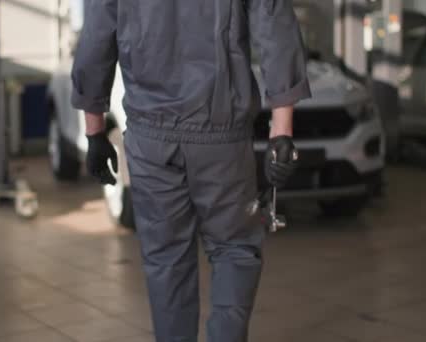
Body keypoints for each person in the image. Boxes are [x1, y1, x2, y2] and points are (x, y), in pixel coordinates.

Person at [71, 0, 310, 341]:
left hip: (151, 139)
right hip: (222, 137)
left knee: (166, 260)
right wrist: (281, 131)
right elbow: (274, 28)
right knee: (235, 250)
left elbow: (96, 37)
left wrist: (94, 132)